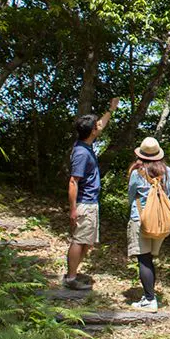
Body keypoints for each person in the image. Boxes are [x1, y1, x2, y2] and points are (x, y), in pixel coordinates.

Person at [63, 97, 120, 291]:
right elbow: (73, 181)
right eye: (96, 126)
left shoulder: (86, 144)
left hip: (90, 202)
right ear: (91, 132)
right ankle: (71, 278)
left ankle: (73, 273)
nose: (99, 127)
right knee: (80, 240)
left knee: (87, 242)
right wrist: (73, 209)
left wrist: (111, 110)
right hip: (84, 203)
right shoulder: (81, 153)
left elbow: (101, 125)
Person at [127, 137, 170, 312]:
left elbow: (131, 196)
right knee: (150, 259)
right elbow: (167, 192)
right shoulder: (167, 171)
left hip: (140, 219)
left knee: (143, 260)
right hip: (160, 221)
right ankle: (149, 295)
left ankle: (150, 300)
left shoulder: (137, 173)